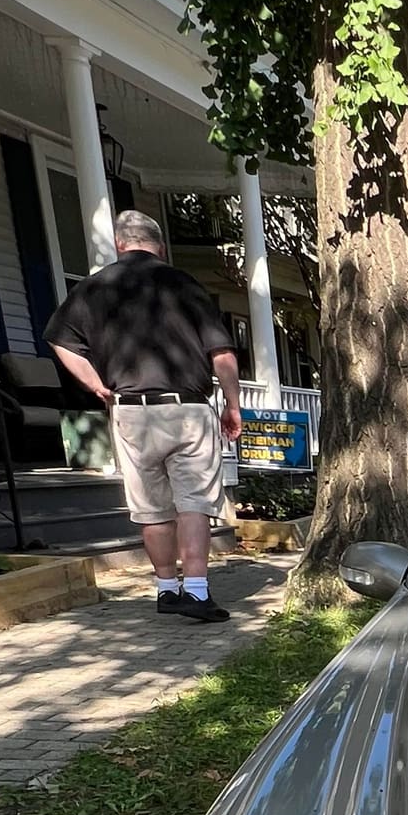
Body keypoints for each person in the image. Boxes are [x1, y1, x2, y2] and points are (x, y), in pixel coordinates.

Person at [45, 209, 243, 623]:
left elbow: (61, 341)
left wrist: (95, 383)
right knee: (193, 502)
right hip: (186, 408)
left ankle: (166, 588)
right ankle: (197, 590)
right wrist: (232, 404)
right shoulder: (184, 283)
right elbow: (221, 353)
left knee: (151, 507)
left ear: (120, 245)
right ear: (160, 246)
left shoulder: (93, 289)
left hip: (131, 412)